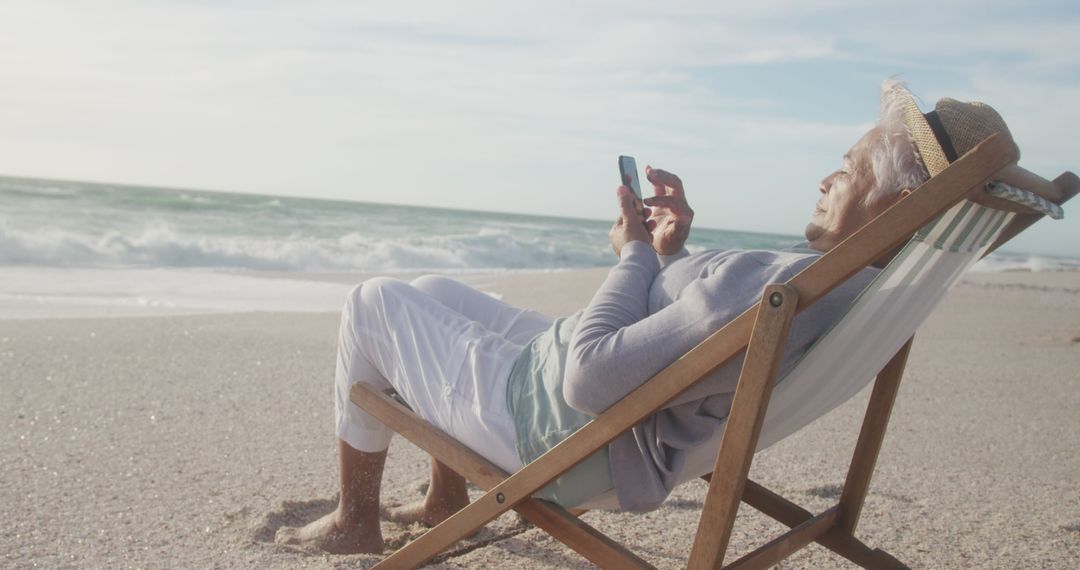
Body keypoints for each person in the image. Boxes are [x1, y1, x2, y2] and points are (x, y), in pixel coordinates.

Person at [275, 80, 1006, 554]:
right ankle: (444, 494)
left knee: (373, 302)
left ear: (898, 207)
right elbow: (684, 341)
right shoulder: (850, 293)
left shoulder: (779, 287)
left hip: (558, 433)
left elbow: (591, 379)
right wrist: (672, 253)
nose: (825, 177)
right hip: (605, 417)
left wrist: (633, 253)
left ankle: (354, 522)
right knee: (431, 286)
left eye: (847, 168)